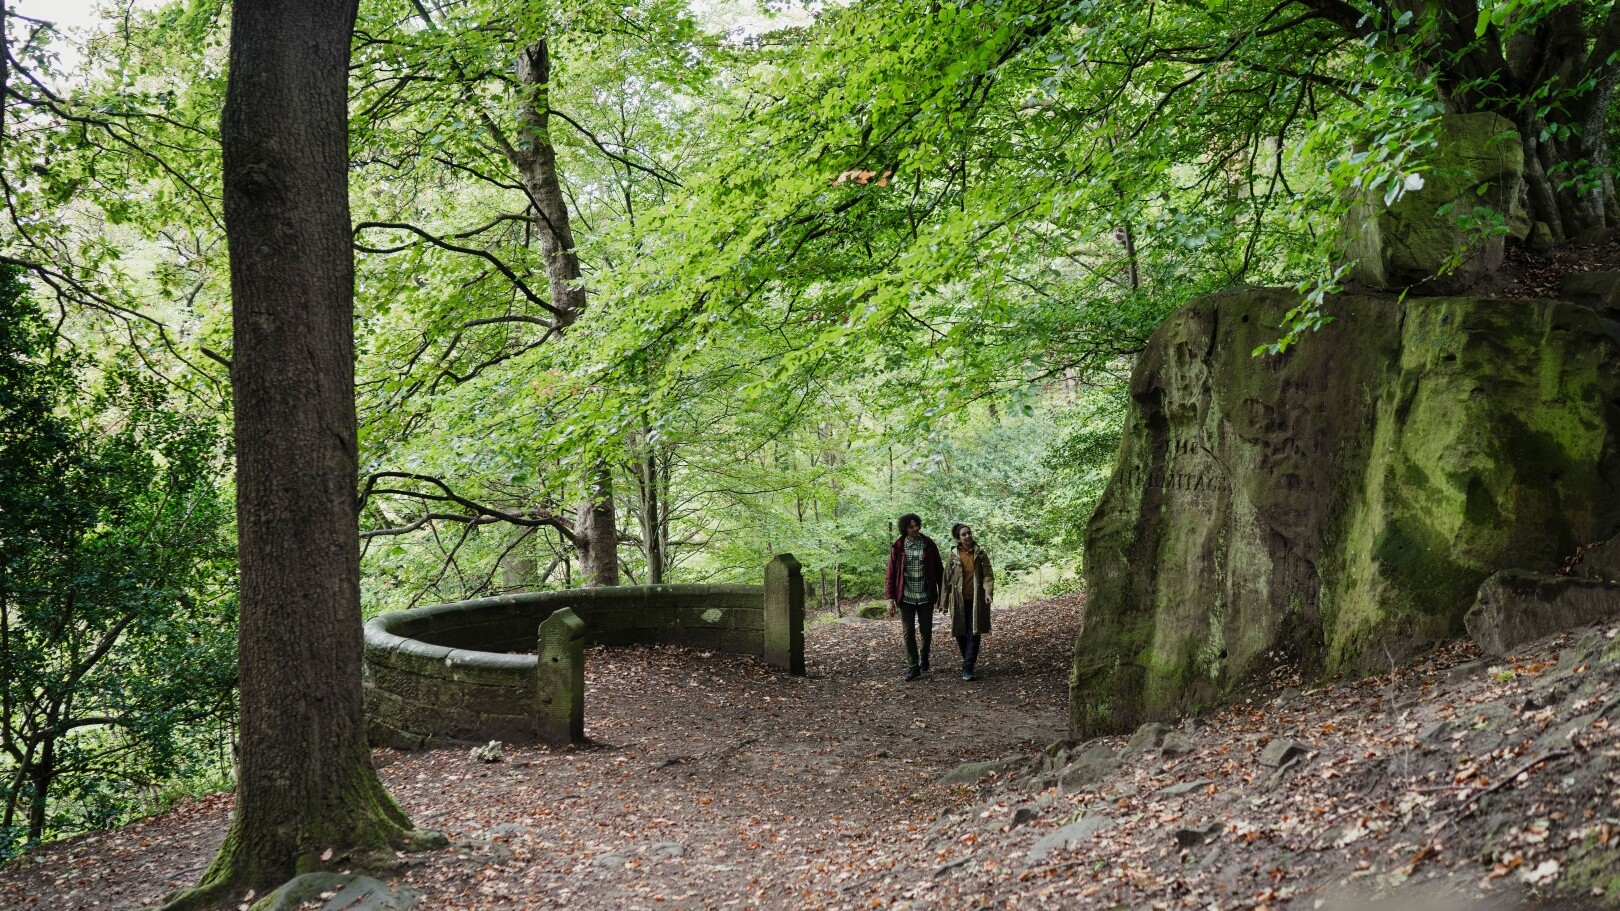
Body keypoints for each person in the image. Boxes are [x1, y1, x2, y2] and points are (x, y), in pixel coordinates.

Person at [885, 513, 943, 681]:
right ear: (905, 528)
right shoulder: (898, 546)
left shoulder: (928, 544)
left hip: (926, 595)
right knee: (908, 632)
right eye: (911, 526)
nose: (915, 528)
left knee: (926, 631)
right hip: (905, 596)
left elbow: (939, 570)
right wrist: (890, 598)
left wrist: (943, 595)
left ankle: (924, 656)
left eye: (917, 525)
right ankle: (913, 666)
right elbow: (890, 574)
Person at [940, 522, 994, 681]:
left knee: (974, 632)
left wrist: (988, 592)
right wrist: (943, 602)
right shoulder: (953, 555)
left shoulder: (980, 554)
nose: (967, 536)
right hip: (958, 601)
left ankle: (968, 667)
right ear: (958, 538)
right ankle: (968, 661)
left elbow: (988, 576)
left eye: (969, 533)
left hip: (977, 600)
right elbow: (946, 580)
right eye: (963, 534)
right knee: (960, 633)